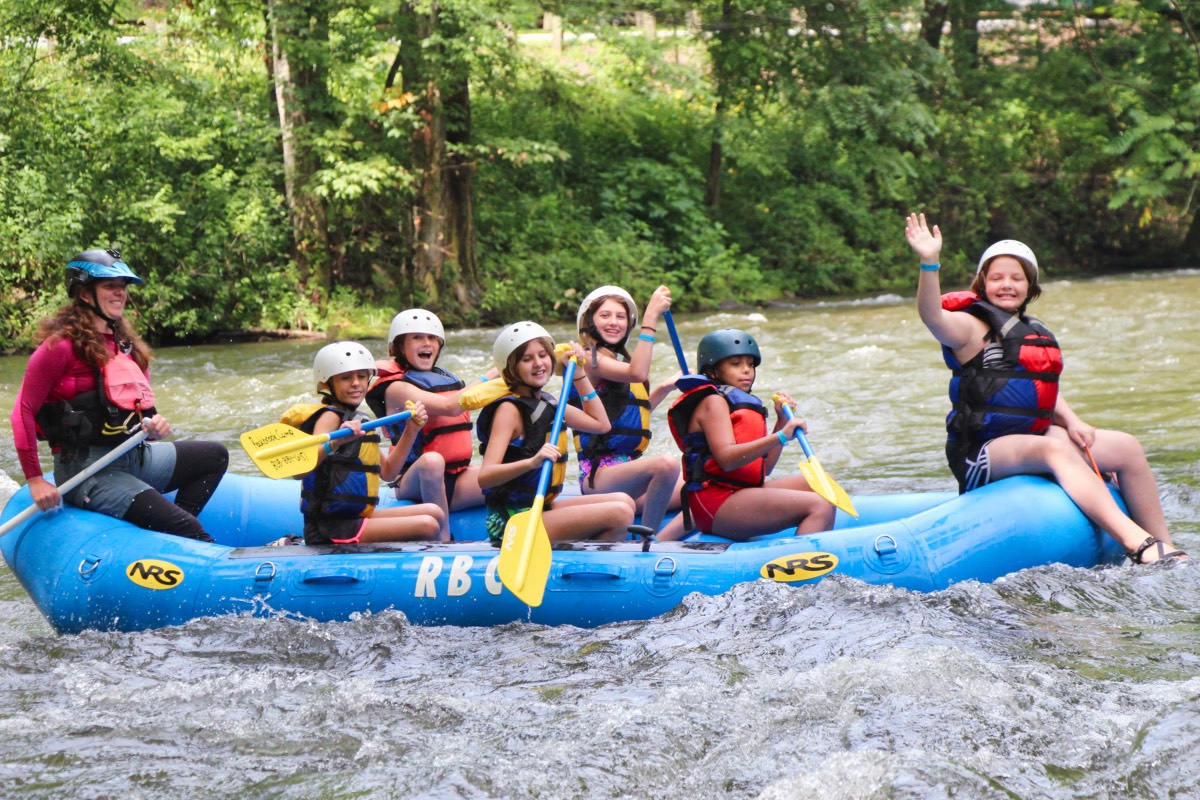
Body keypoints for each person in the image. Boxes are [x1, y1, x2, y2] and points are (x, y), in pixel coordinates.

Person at [904, 212, 1186, 564]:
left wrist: (1074, 421)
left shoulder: (1028, 331)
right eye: (996, 278)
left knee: (1127, 448)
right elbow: (932, 315)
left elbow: (1038, 389)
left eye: (1016, 278)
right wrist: (929, 262)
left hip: (1030, 437)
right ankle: (1138, 544)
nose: (1007, 284)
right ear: (982, 285)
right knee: (1053, 451)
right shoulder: (967, 328)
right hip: (981, 452)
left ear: (1030, 287)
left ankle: (1165, 545)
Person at [10, 249, 228, 542]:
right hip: (87, 471)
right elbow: (22, 410)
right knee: (188, 528)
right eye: (110, 286)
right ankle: (185, 532)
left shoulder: (127, 346)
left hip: (134, 457)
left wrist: (154, 427)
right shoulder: (59, 348)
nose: (120, 292)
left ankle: (176, 537)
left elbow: (144, 414)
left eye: (123, 286)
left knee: (215, 456)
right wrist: (35, 480)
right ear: (86, 293)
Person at [666, 329, 836, 540]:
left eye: (750, 364)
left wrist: (781, 419)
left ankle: (823, 554)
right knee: (818, 506)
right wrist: (781, 436)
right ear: (713, 371)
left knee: (826, 483)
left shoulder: (742, 405)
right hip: (716, 502)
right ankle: (803, 566)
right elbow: (727, 460)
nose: (746, 370)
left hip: (741, 490)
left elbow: (764, 469)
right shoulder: (713, 402)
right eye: (736, 364)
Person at [477, 321, 636, 544]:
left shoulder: (547, 402)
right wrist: (532, 462)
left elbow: (601, 424)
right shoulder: (509, 410)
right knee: (619, 513)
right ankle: (589, 569)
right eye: (527, 359)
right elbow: (485, 477)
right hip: (512, 521)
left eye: (543, 355)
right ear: (511, 367)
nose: (538, 363)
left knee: (624, 500)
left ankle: (585, 560)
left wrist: (580, 374)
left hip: (539, 506)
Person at [293, 342, 444, 545]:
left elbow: (389, 472)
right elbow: (300, 470)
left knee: (435, 512)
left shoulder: (361, 420)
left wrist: (412, 429)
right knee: (429, 524)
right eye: (346, 378)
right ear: (327, 384)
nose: (356, 383)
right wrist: (335, 442)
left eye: (362, 376)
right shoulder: (330, 417)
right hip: (329, 527)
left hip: (354, 518)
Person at [365, 309, 495, 541]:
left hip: (456, 478)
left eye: (432, 338)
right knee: (433, 461)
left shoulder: (445, 377)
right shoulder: (397, 387)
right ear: (398, 347)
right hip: (412, 480)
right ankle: (442, 541)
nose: (427, 343)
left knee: (511, 477)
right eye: (416, 337)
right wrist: (490, 377)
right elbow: (450, 407)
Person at [573, 285, 685, 538]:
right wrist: (651, 318)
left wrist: (666, 387)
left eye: (620, 317)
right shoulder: (590, 361)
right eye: (605, 316)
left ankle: (663, 542)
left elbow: (630, 414)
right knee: (666, 465)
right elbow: (637, 373)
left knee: (699, 487)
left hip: (628, 472)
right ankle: (648, 537)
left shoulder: (614, 362)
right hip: (598, 476)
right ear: (589, 322)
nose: (614, 322)